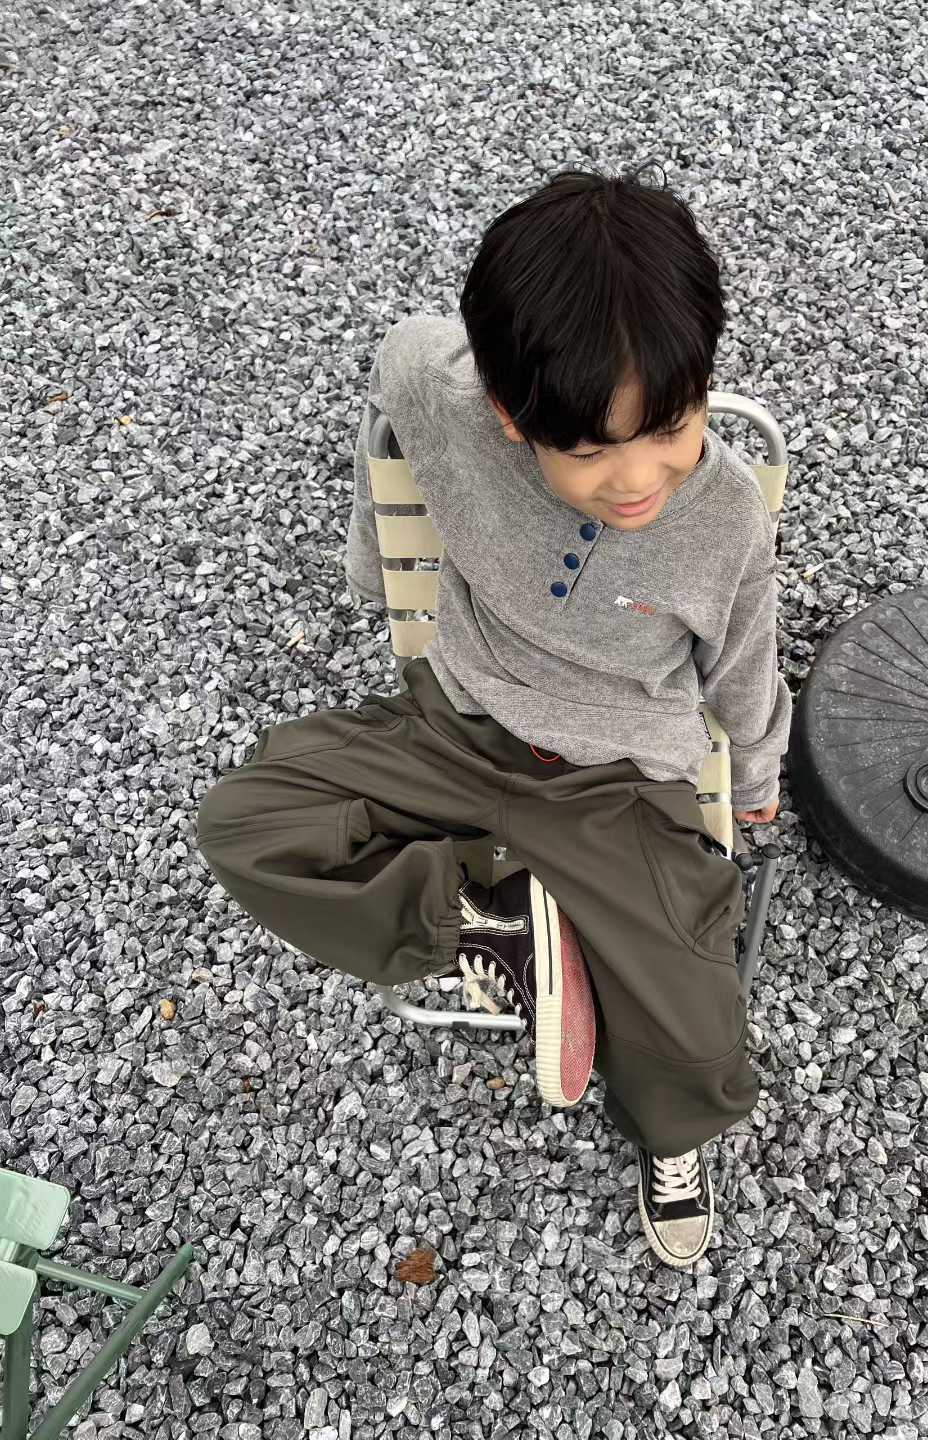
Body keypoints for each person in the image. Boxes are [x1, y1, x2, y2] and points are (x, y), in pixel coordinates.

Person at [196, 160, 792, 1271]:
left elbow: (745, 668)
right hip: (454, 727)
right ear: (512, 418)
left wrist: (756, 779)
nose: (639, 477)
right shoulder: (454, 399)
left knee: (706, 1048)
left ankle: (663, 1131)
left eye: (671, 427)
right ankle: (494, 925)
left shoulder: (725, 523)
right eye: (592, 450)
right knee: (245, 824)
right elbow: (397, 365)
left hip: (617, 780)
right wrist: (374, 558)